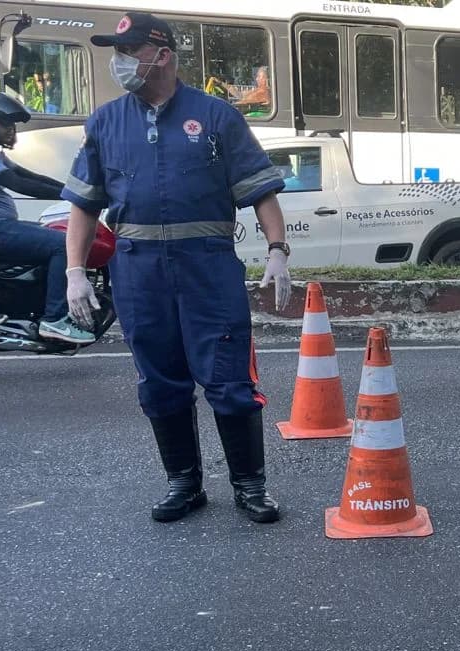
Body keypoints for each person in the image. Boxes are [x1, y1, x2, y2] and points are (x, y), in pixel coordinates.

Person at [61, 12, 293, 525]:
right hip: (138, 272)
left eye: (129, 51)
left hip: (207, 270)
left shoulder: (216, 117)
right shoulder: (105, 122)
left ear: (162, 55)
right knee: (159, 381)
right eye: (116, 52)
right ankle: (184, 484)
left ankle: (250, 486)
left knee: (229, 377)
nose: (119, 62)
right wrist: (75, 271)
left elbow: (261, 191)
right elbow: (83, 205)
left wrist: (278, 250)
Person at [0, 92, 93, 344]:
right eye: (4, 123)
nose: (10, 130)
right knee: (62, 245)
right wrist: (74, 197)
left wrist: (72, 189)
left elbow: (28, 175)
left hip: (0, 225)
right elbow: (15, 183)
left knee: (55, 233)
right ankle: (55, 319)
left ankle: (41, 307)